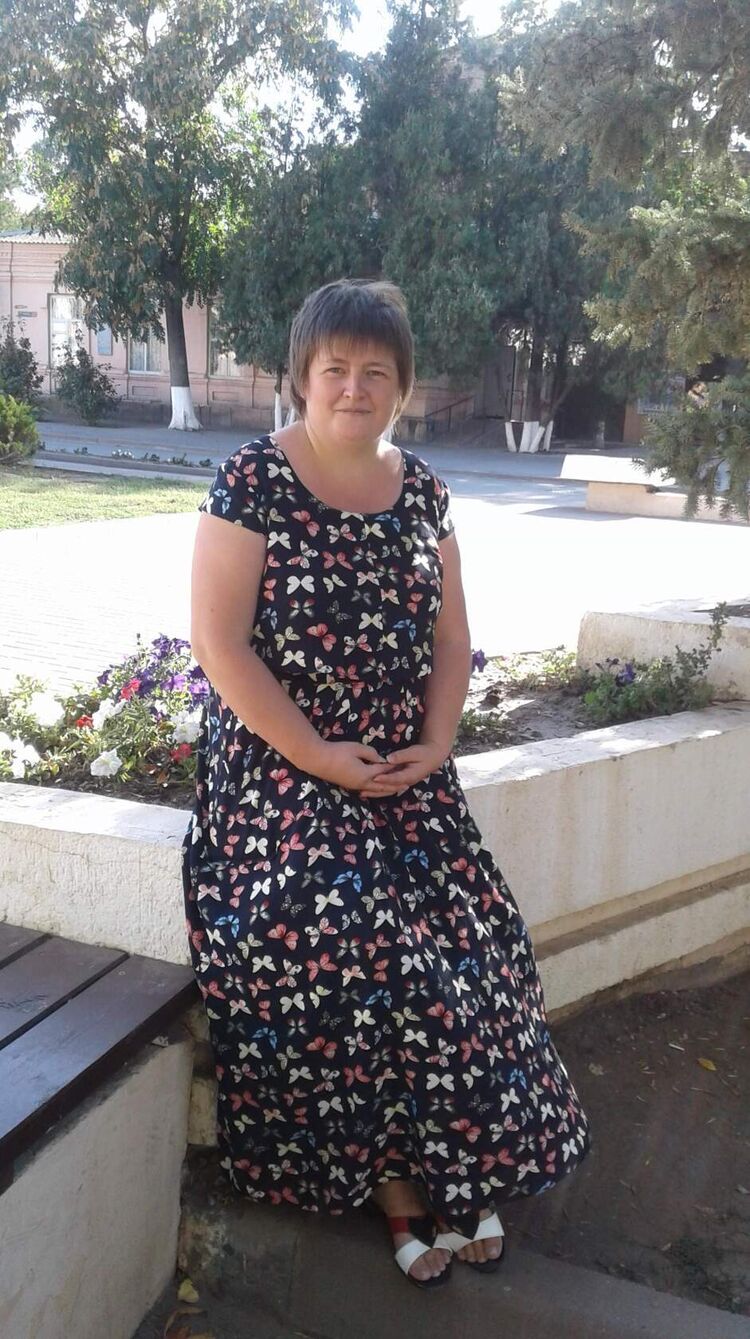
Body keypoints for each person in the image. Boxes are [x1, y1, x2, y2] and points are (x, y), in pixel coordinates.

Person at [182, 278, 592, 1289]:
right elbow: (221, 646)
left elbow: (453, 639)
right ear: (302, 377)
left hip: (402, 767)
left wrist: (438, 741)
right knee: (347, 925)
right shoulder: (252, 479)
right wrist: (318, 755)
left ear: (403, 387)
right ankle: (398, 1180)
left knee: (471, 939)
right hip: (278, 771)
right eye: (336, 369)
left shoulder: (424, 493)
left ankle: (457, 1159)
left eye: (376, 371)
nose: (354, 388)